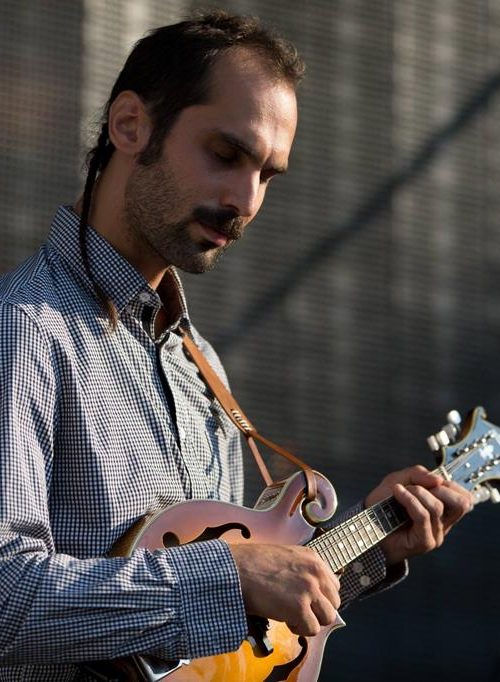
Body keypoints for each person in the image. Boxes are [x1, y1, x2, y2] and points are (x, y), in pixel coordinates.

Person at [0, 9, 472, 681]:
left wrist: (371, 546)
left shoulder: (200, 366)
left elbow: (219, 653)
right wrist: (227, 575)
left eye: (267, 176)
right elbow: (7, 600)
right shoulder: (22, 330)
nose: (245, 200)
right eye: (226, 155)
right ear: (130, 124)